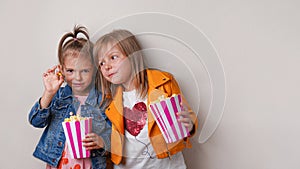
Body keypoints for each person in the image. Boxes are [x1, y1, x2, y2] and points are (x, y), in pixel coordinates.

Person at [93, 29, 198, 169]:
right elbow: (116, 140)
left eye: (113, 57)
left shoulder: (163, 83)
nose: (107, 66)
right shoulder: (110, 99)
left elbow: (187, 116)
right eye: (101, 63)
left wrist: (189, 125)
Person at [28, 25, 111, 169]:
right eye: (71, 71)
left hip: (91, 164)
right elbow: (36, 121)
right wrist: (48, 93)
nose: (77, 78)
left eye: (84, 71)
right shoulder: (58, 97)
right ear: (61, 70)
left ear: (94, 70)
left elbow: (114, 136)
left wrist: (102, 142)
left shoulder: (102, 100)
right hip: (59, 164)